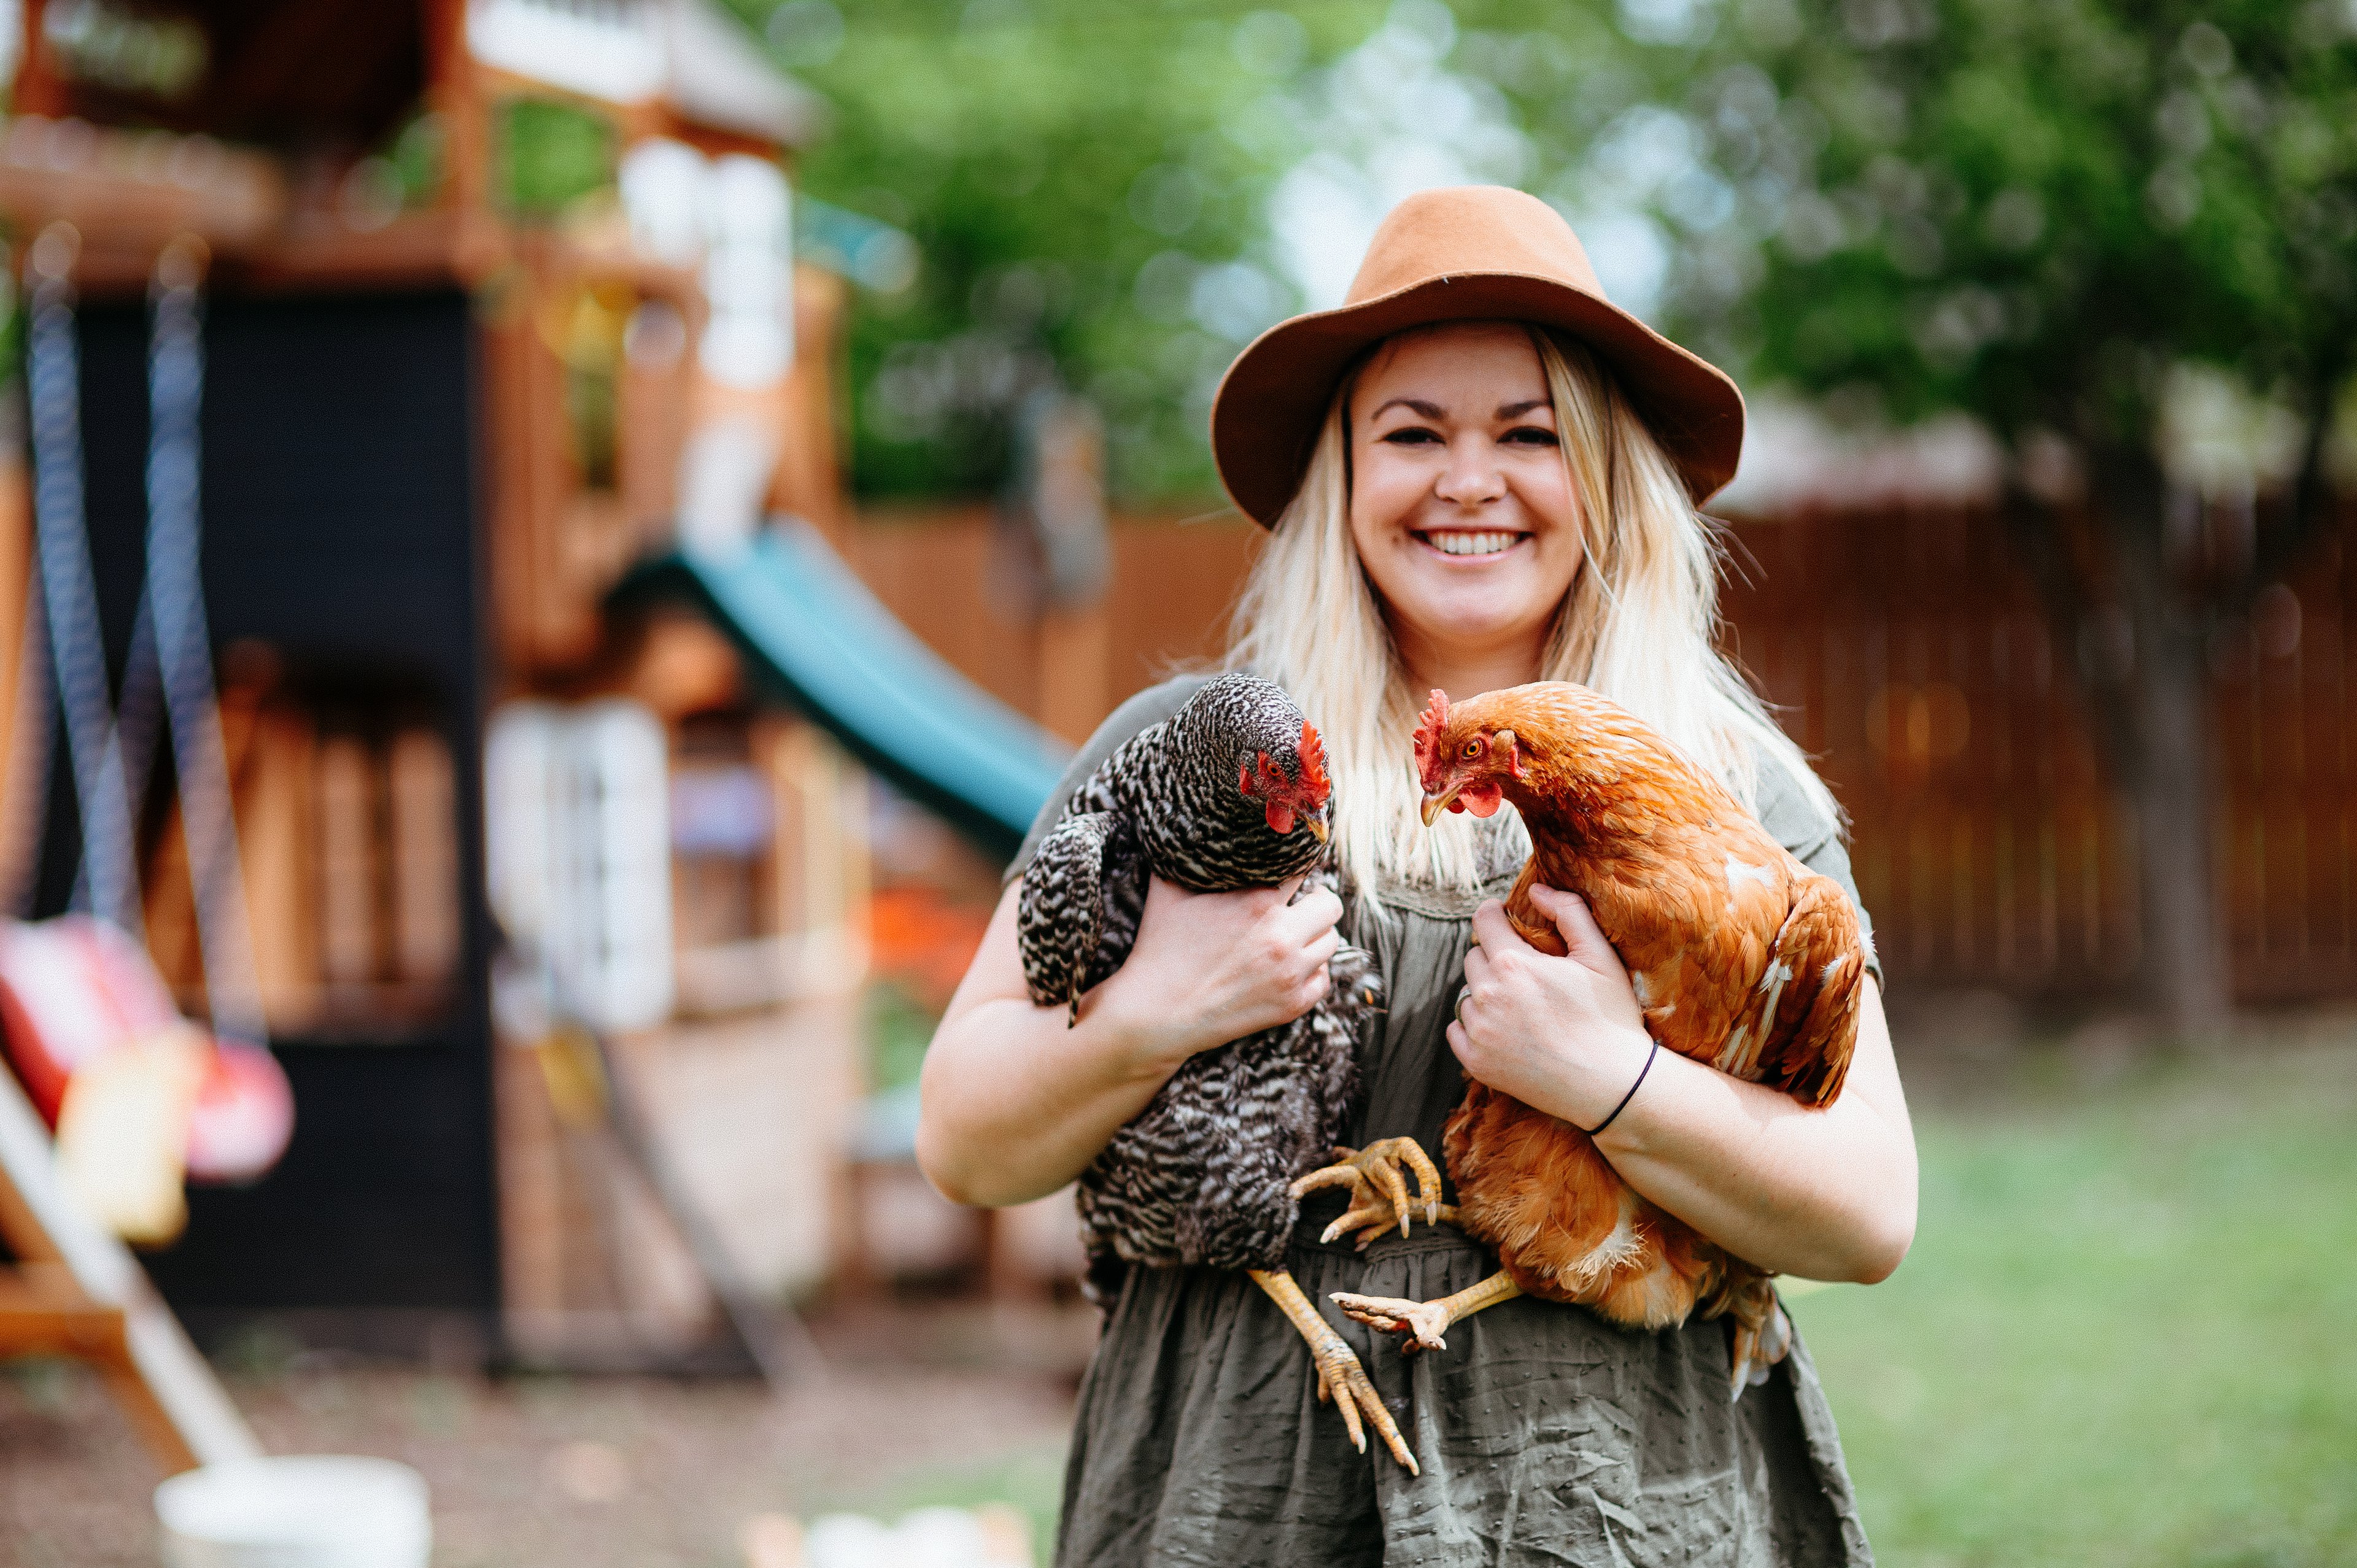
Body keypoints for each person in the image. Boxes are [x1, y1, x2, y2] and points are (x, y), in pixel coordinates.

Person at [917, 185, 1916, 1566]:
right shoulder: (1194, 759)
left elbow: (1869, 1211)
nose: (1467, 480)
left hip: (1604, 1498)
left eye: (1529, 432)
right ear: (1342, 476)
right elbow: (965, 1144)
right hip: (1241, 1491)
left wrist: (1612, 1083)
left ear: (1606, 475)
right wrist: (1158, 1011)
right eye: (1412, 433)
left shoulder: (1735, 802)